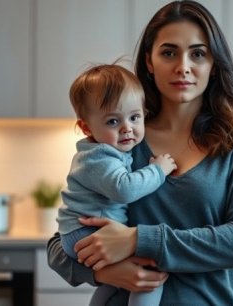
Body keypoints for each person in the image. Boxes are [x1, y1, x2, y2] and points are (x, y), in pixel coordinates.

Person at [47, 0, 233, 305]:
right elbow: (61, 246)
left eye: (198, 54)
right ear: (150, 62)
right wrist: (103, 274)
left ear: (214, 64)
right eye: (169, 52)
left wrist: (138, 239)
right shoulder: (121, 138)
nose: (183, 67)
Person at [57, 63, 177, 306]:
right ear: (86, 127)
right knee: (151, 271)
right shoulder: (99, 157)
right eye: (113, 122)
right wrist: (158, 170)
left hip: (80, 232)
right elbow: (125, 189)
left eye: (135, 117)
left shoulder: (107, 152)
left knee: (116, 280)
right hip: (86, 234)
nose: (127, 129)